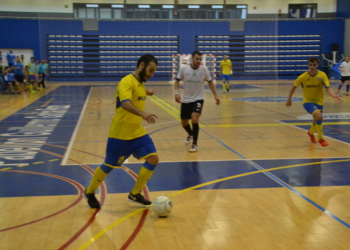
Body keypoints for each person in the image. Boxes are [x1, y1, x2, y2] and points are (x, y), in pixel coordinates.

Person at [85, 54, 159, 208]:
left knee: (153, 158)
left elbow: (136, 94)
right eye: (150, 71)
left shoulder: (139, 83)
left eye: (153, 72)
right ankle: (90, 191)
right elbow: (125, 103)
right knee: (109, 166)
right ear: (141, 66)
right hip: (120, 133)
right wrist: (143, 113)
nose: (151, 75)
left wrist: (147, 92)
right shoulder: (126, 81)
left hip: (137, 131)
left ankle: (135, 193)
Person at [286, 57, 342, 147]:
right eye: (310, 65)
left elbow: (328, 88)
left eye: (314, 65)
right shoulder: (303, 77)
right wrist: (289, 99)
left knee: (316, 119)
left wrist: (334, 96)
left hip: (319, 101)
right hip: (308, 102)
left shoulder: (322, 75)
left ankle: (311, 133)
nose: (312, 67)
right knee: (319, 116)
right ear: (308, 65)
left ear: (317, 65)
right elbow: (293, 87)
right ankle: (320, 138)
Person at [174, 50, 220, 152]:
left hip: (198, 98)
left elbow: (210, 82)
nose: (198, 61)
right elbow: (177, 80)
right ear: (192, 59)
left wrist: (215, 95)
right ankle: (190, 134)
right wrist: (176, 93)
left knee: (194, 118)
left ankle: (194, 144)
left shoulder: (204, 69)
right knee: (184, 123)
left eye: (200, 59)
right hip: (186, 99)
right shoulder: (184, 69)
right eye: (197, 59)